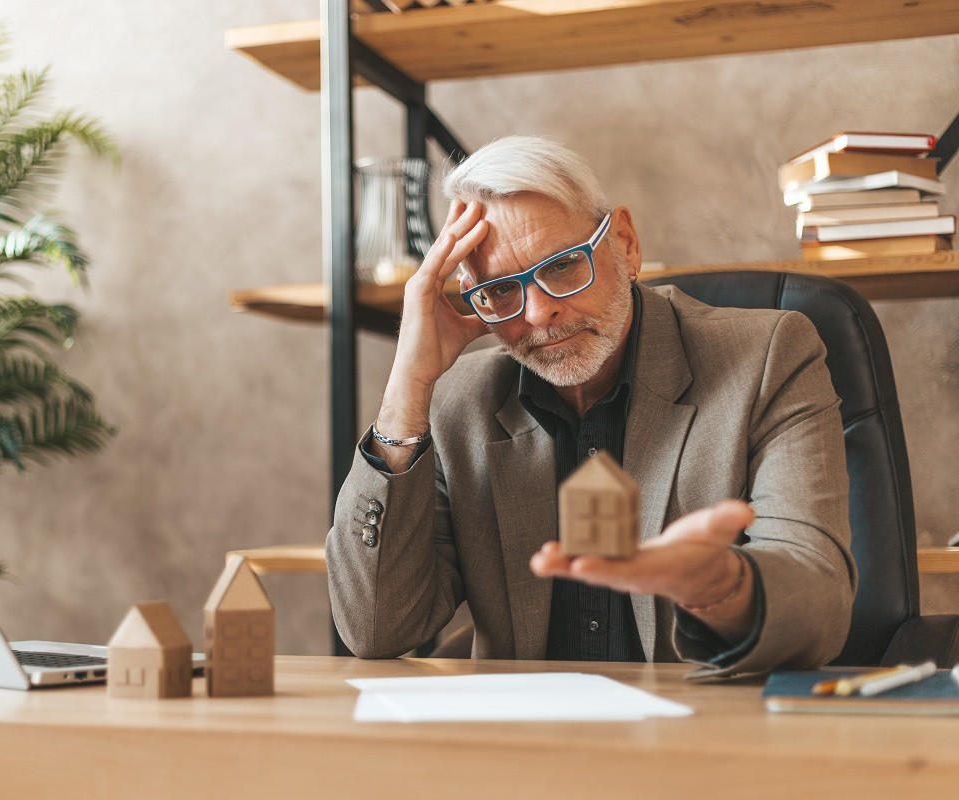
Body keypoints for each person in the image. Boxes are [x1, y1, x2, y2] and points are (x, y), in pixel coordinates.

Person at [325, 136, 856, 678]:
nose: (537, 315)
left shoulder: (767, 358)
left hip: (702, 735)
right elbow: (375, 627)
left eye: (561, 268)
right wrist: (406, 389)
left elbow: (820, 607)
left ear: (624, 244)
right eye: (502, 291)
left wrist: (720, 586)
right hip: (534, 743)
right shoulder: (459, 403)